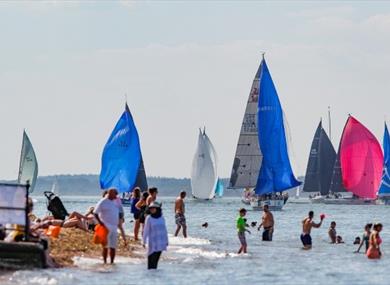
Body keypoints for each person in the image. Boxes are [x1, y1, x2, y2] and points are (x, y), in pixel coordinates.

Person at [93, 188, 122, 264]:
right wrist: (100, 222)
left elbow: (119, 212)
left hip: (114, 226)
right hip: (105, 226)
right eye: (115, 194)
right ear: (110, 193)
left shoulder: (116, 201)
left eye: (116, 194)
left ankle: (112, 262)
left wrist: (120, 219)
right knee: (105, 246)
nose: (116, 195)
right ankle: (105, 262)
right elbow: (95, 213)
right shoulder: (103, 201)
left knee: (113, 246)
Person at [142, 202, 168, 269]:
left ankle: (155, 276)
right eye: (151, 209)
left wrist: (166, 241)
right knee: (151, 260)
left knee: (156, 261)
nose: (152, 210)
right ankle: (150, 275)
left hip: (161, 242)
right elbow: (146, 230)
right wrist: (144, 241)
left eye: (153, 208)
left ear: (157, 209)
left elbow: (164, 230)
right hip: (152, 242)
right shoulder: (149, 218)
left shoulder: (162, 218)